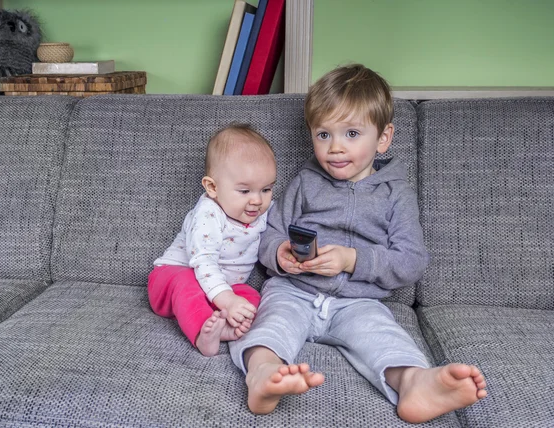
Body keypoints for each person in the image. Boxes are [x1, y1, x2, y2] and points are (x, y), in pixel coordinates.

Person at [228, 64, 487, 423]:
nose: (335, 148)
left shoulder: (395, 193)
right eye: (323, 135)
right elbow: (269, 234)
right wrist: (280, 254)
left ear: (383, 138)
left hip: (358, 302)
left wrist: (353, 259)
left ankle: (414, 382)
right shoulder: (305, 181)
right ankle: (262, 375)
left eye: (351, 133)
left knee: (384, 339)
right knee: (271, 325)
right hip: (294, 290)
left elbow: (411, 261)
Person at [148, 123, 277, 357]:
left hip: (220, 291)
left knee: (253, 297)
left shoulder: (262, 210)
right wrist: (227, 300)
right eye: (245, 191)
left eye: (266, 189)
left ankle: (226, 329)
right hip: (171, 279)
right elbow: (204, 261)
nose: (257, 201)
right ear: (212, 187)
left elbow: (282, 227)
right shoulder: (208, 214)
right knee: (185, 282)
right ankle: (201, 335)